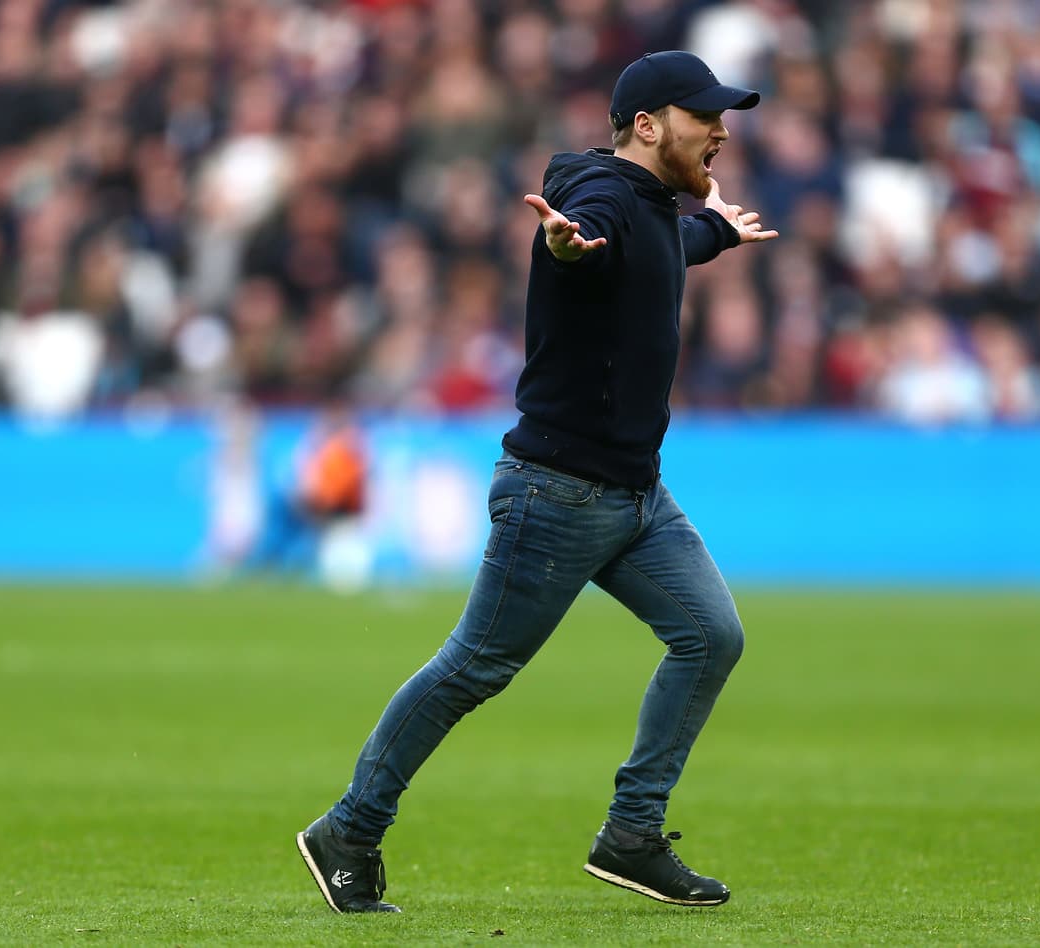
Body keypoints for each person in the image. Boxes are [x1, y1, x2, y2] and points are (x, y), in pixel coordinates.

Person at [295, 50, 778, 913]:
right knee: (473, 668)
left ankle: (631, 835)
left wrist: (719, 232)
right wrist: (564, 248)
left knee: (712, 636)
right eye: (704, 115)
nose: (721, 130)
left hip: (633, 495)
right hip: (558, 493)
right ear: (646, 125)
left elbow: (664, 243)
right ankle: (349, 827)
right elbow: (585, 244)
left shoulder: (655, 209)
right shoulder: (597, 204)